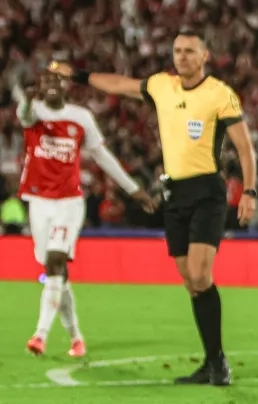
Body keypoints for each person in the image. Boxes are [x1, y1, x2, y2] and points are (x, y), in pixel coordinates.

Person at [49, 29, 258, 386]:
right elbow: (119, 84)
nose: (182, 57)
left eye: (189, 51)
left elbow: (245, 147)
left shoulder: (219, 94)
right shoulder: (162, 86)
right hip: (174, 193)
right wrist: (78, 75)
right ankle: (211, 362)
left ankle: (219, 363)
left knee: (200, 274)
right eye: (177, 51)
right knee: (190, 281)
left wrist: (249, 191)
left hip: (207, 191)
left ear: (204, 56)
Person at [15, 72, 156, 358]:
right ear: (40, 87)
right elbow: (24, 115)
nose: (52, 85)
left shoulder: (80, 117)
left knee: (56, 260)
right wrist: (27, 101)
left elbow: (102, 156)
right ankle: (76, 336)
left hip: (69, 202)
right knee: (56, 272)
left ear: (66, 86)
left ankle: (40, 335)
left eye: (57, 80)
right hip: (39, 202)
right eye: (46, 81)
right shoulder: (34, 112)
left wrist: (133, 189)